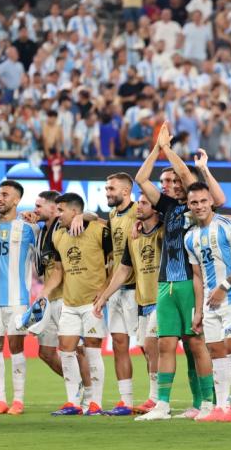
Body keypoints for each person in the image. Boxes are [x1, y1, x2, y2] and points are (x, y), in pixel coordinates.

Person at [133, 123, 226, 421]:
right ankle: (162, 404)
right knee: (166, 344)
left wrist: (169, 150)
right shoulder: (168, 207)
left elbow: (187, 177)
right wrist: (157, 148)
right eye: (168, 181)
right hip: (165, 285)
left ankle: (208, 403)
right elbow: (140, 179)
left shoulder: (196, 207)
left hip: (189, 281)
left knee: (195, 343)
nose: (171, 185)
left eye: (175, 181)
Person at [38, 193, 112, 416]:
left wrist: (105, 291)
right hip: (69, 303)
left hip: (93, 303)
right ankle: (73, 402)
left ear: (74, 211)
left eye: (61, 211)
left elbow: (115, 262)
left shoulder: (99, 230)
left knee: (92, 351)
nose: (57, 215)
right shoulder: (58, 235)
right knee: (66, 349)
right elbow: (58, 271)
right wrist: (43, 293)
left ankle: (95, 403)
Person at [23, 190, 93, 408]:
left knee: (75, 348)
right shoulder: (43, 230)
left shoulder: (63, 226)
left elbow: (96, 218)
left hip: (65, 298)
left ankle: (90, 395)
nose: (35, 209)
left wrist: (83, 216)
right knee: (45, 352)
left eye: (38, 206)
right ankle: (78, 386)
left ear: (54, 208)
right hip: (48, 299)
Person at [94, 194, 163, 414]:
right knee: (145, 347)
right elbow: (123, 268)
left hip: (162, 297)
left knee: (152, 347)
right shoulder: (132, 235)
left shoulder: (164, 232)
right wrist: (104, 296)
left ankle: (158, 398)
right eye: (139, 202)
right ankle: (140, 399)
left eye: (144, 203)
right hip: (143, 300)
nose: (139, 206)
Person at [183, 181, 231, 422]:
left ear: (211, 201)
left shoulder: (228, 226)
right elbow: (197, 276)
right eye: (194, 202)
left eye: (203, 201)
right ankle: (221, 406)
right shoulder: (190, 237)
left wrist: (225, 287)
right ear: (189, 205)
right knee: (216, 351)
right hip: (210, 303)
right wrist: (198, 311)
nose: (199, 206)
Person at [0, 180, 39, 415]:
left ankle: (19, 401)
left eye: (5, 195)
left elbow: (40, 258)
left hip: (17, 299)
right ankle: (1, 401)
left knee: (16, 348)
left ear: (17, 200)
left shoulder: (29, 228)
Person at [102, 172, 139, 416]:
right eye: (106, 188)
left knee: (149, 346)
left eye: (111, 189)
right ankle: (125, 401)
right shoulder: (113, 215)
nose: (107, 193)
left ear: (126, 191)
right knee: (119, 343)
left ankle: (157, 399)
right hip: (117, 289)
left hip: (138, 289)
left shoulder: (140, 212)